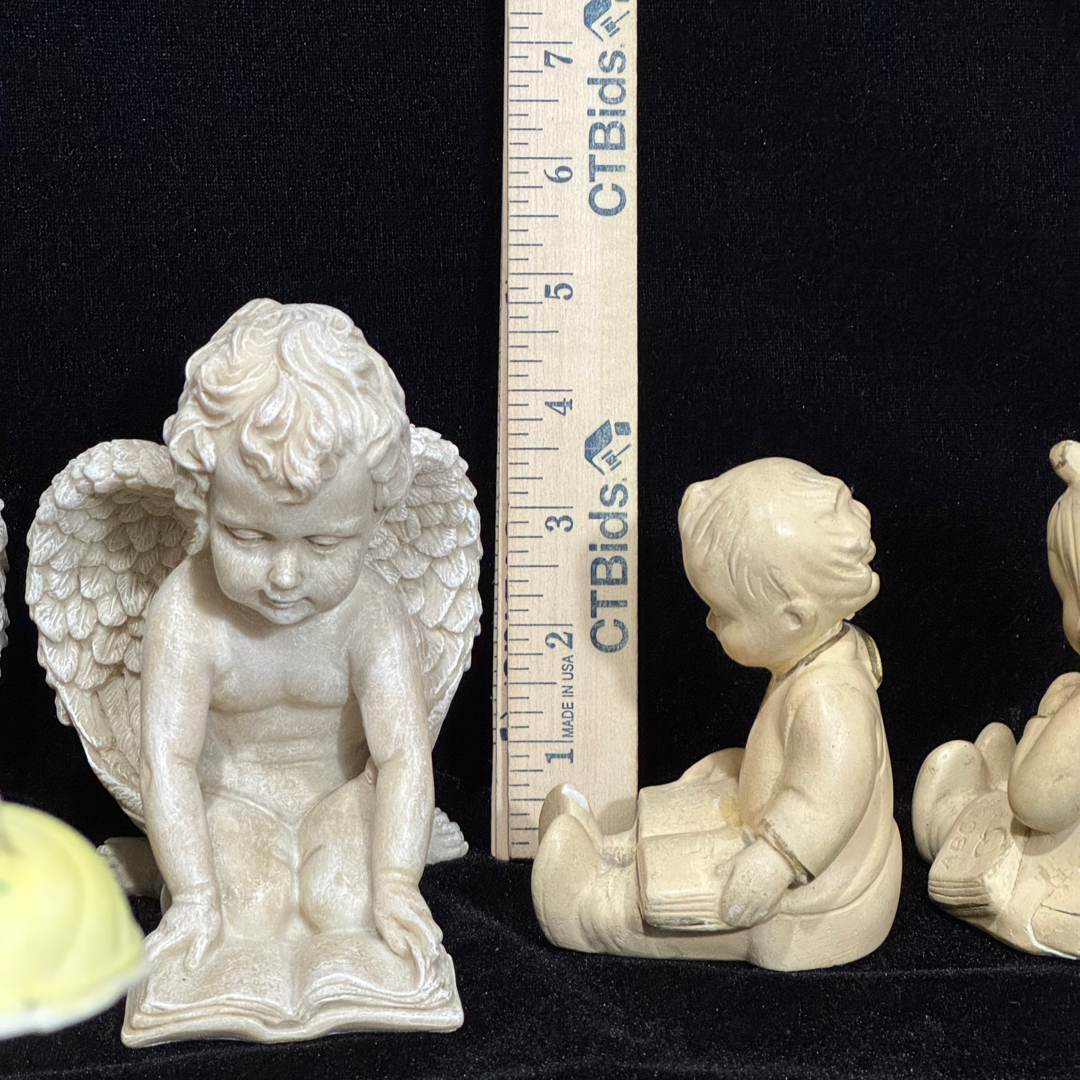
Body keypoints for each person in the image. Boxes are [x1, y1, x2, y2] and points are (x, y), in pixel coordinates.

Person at [532, 458, 901, 970]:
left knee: (709, 891)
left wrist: (775, 862)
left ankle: (590, 909)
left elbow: (826, 805)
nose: (710, 622)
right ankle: (610, 847)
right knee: (709, 785)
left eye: (724, 614)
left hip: (815, 889)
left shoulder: (832, 699)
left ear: (794, 617)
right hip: (771, 819)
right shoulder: (814, 658)